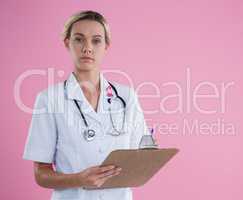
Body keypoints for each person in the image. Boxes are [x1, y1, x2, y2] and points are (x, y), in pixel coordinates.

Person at [23, 10, 150, 200]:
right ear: (68, 43)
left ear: (106, 45)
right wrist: (79, 179)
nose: (87, 48)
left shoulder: (126, 97)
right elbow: (41, 174)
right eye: (79, 39)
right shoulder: (49, 99)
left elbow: (143, 154)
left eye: (96, 40)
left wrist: (150, 156)